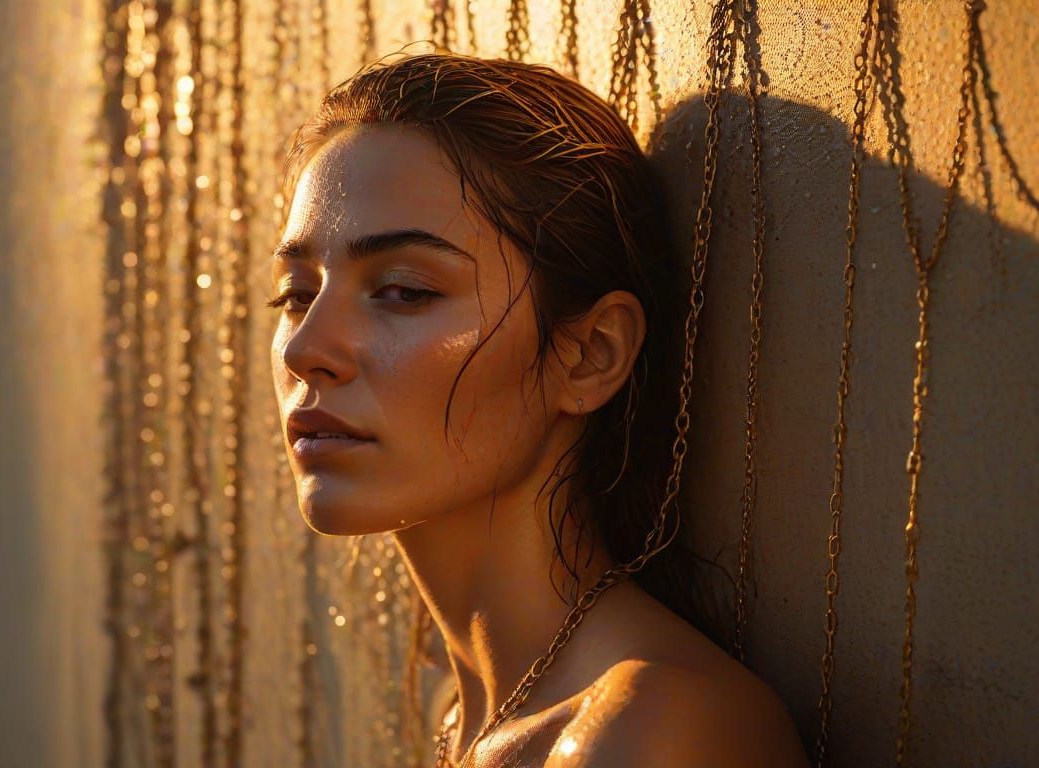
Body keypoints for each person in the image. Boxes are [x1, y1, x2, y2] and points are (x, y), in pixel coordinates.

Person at [267, 51, 807, 767]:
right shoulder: (464, 718)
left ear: (589, 355)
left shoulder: (659, 728)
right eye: (297, 294)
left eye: (403, 290)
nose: (308, 347)